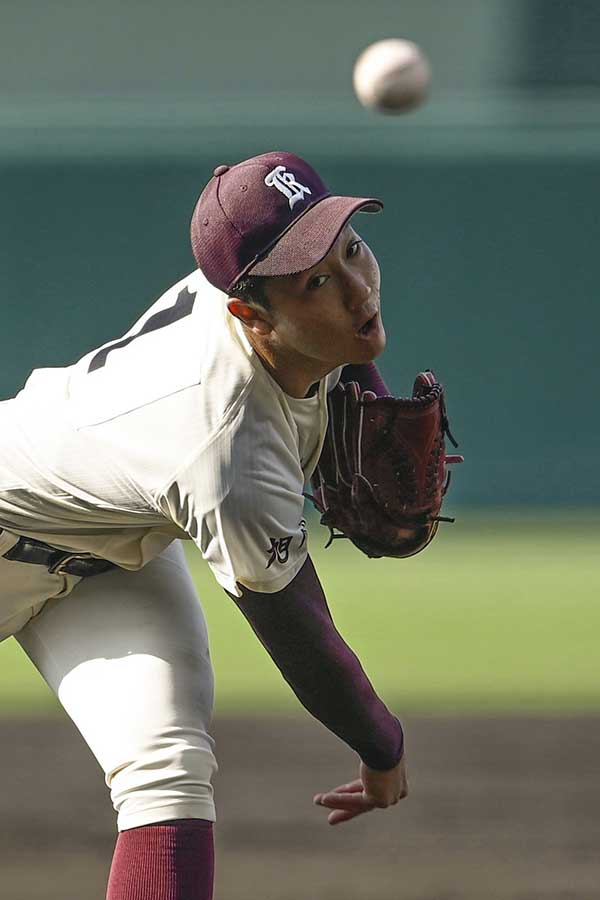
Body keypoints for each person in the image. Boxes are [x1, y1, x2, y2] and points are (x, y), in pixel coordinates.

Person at [0, 151, 407, 900]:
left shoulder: (251, 292)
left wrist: (363, 375)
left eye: (351, 248)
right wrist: (383, 749)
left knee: (167, 771)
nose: (354, 288)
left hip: (106, 551)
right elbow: (302, 637)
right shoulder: (227, 447)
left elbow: (347, 348)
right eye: (315, 280)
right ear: (250, 311)